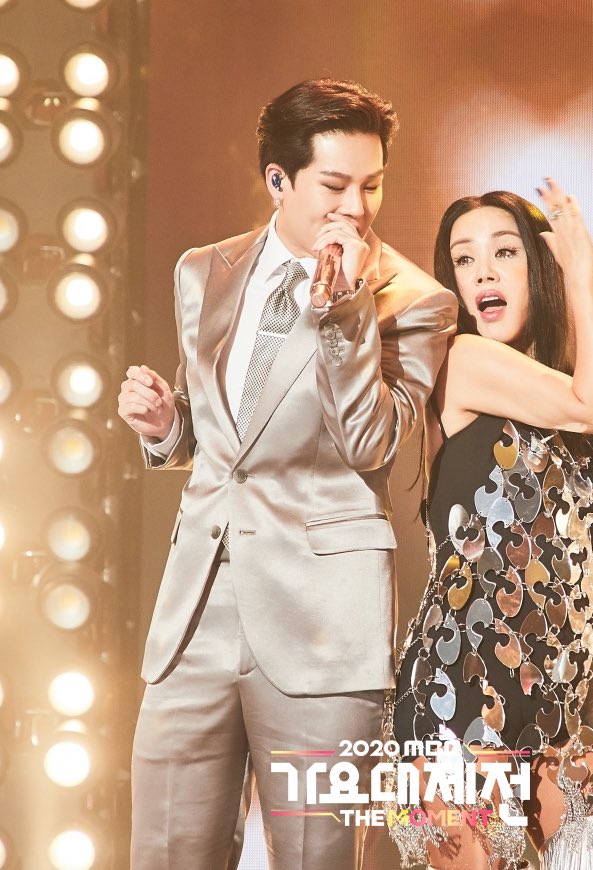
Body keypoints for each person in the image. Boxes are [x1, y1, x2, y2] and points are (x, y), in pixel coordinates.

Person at [117, 78, 457, 870]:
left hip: (322, 620)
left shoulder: (414, 301)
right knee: (164, 850)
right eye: (335, 185)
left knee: (315, 856)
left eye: (371, 185)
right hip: (196, 609)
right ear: (278, 180)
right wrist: (169, 429)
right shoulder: (204, 270)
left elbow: (371, 442)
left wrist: (345, 311)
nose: (357, 208)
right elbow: (228, 434)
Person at [381, 178, 593, 869]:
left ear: (536, 265)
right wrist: (584, 276)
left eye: (505, 252)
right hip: (462, 693)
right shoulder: (462, 361)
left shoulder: (572, 386)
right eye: (464, 259)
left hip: (576, 695)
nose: (483, 271)